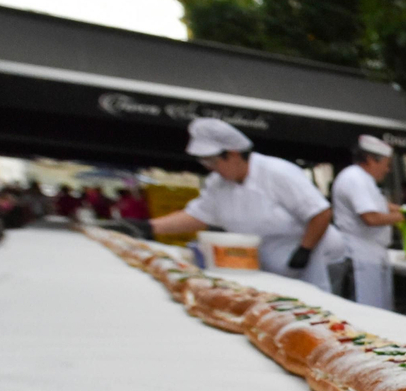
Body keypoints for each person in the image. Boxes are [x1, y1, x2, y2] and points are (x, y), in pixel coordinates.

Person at [140, 118, 348, 291]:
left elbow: (320, 213)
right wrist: (148, 227)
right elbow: (198, 215)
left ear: (233, 154)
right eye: (205, 162)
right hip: (271, 265)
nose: (210, 168)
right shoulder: (218, 184)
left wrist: (304, 251)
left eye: (212, 161)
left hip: (317, 259)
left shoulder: (277, 172)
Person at [331, 135, 405, 308]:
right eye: (386, 164)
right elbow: (370, 218)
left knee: (379, 309)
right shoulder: (355, 179)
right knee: (365, 310)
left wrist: (405, 210)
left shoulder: (363, 179)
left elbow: (381, 206)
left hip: (371, 255)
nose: (387, 170)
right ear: (371, 160)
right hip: (359, 256)